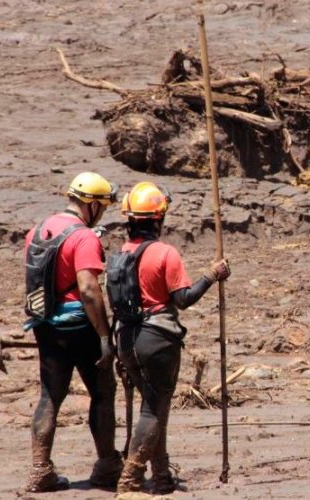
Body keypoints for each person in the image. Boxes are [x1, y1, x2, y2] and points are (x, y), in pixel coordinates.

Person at [107, 181, 229, 494]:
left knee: (154, 405)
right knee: (154, 409)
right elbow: (183, 299)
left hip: (126, 338)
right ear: (158, 220)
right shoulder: (165, 253)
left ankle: (161, 476)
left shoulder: (119, 255)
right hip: (157, 339)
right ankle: (131, 478)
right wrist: (212, 276)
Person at [22, 172, 123, 492]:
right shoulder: (84, 238)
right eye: (103, 207)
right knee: (103, 392)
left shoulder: (38, 230)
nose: (103, 212)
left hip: (45, 325)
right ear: (91, 205)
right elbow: (89, 290)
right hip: (80, 326)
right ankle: (107, 465)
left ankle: (40, 469)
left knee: (50, 396)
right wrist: (105, 338)